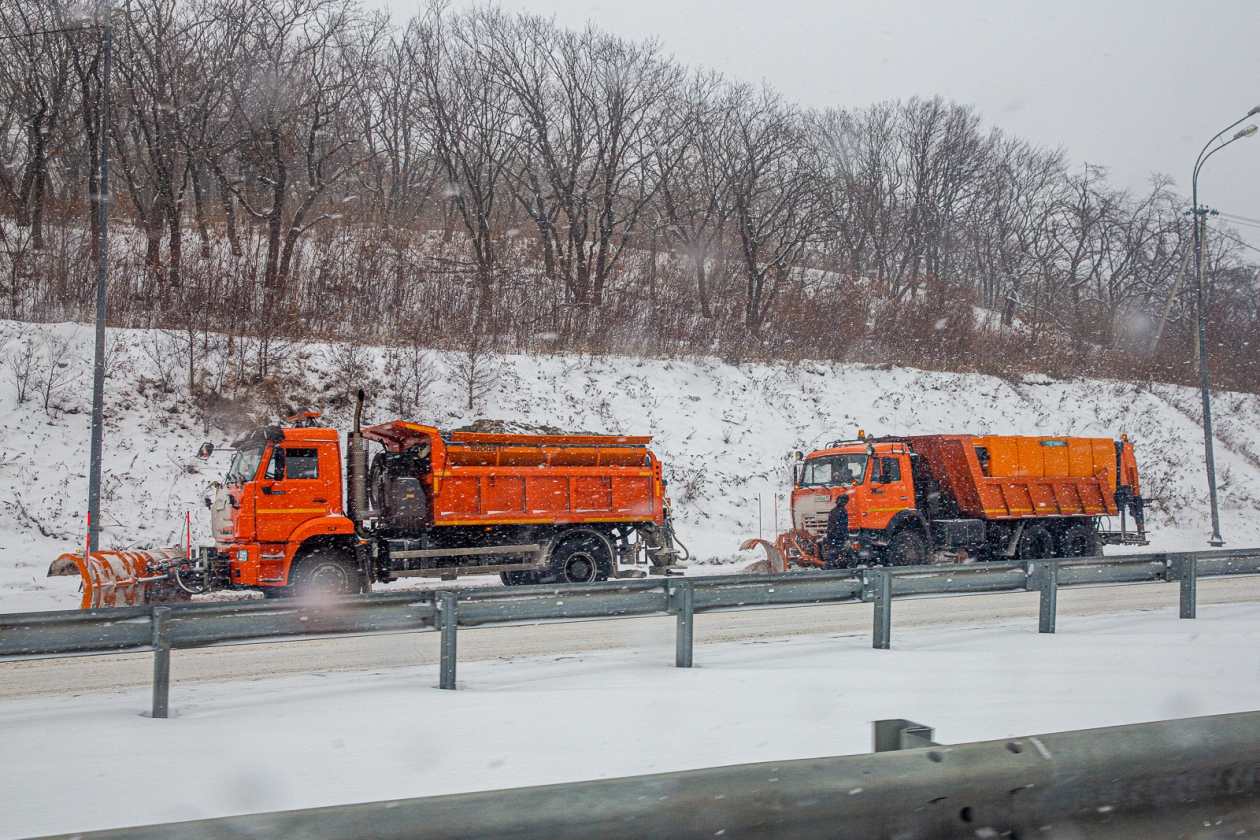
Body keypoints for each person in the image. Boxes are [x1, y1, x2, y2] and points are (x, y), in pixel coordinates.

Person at [822, 493, 851, 568]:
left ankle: (830, 569)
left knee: (831, 554)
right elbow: (843, 526)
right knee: (850, 555)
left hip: (831, 535)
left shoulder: (833, 511)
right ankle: (849, 573)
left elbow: (830, 524)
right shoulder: (843, 511)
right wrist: (846, 538)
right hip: (839, 537)